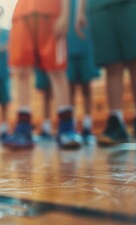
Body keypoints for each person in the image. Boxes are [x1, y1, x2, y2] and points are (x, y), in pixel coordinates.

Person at [4, 0, 83, 150]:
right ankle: (23, 127)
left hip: (50, 10)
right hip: (22, 12)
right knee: (21, 70)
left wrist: (65, 15)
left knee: (57, 70)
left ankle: (67, 127)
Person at [77, 0, 136, 146]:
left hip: (133, 4)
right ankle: (116, 121)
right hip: (98, 6)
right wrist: (81, 10)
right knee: (112, 65)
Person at [35, 0, 100, 143]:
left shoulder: (81, 5)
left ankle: (87, 125)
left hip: (83, 42)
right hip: (67, 44)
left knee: (86, 87)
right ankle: (71, 125)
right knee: (69, 88)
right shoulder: (57, 6)